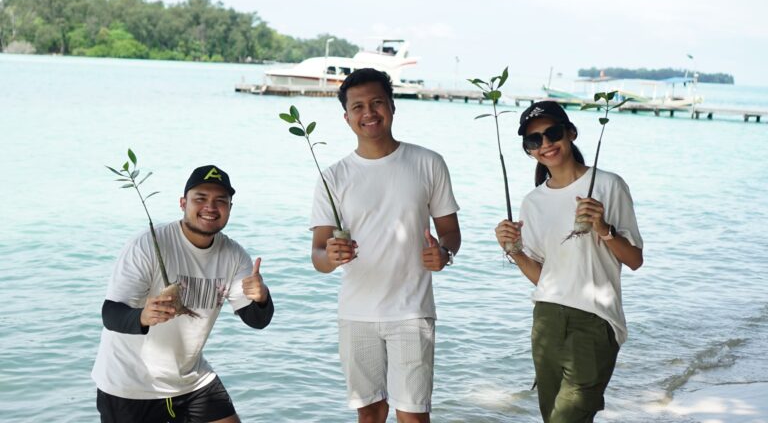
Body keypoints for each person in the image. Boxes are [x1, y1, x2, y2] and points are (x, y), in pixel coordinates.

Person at [310, 68, 461, 423]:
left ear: (392, 106)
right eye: (358, 106)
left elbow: (450, 232)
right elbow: (317, 254)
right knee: (370, 414)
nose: (369, 113)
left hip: (412, 310)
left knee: (413, 415)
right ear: (346, 117)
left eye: (377, 102)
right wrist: (330, 257)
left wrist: (444, 253)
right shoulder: (333, 176)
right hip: (356, 313)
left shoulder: (428, 163)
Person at [494, 101, 643, 423]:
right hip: (546, 318)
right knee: (553, 417)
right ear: (528, 150)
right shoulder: (533, 202)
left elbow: (634, 260)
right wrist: (514, 250)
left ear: (571, 133)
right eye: (534, 140)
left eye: (553, 133)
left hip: (595, 319)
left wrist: (603, 229)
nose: (546, 144)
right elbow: (545, 278)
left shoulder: (607, 185)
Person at [92, 165, 274, 423]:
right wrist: (143, 316)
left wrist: (262, 297)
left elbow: (256, 320)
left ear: (230, 208)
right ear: (182, 202)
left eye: (220, 201)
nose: (210, 207)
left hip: (190, 380)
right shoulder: (147, 245)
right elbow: (110, 314)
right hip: (129, 384)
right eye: (200, 198)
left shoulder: (233, 255)